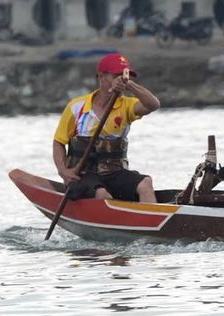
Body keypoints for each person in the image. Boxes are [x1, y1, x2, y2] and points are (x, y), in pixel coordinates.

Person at [52, 53, 162, 205]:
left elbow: (153, 105)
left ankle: (150, 225)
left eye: (125, 76)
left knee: (146, 183)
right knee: (102, 194)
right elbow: (58, 142)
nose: (121, 80)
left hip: (115, 173)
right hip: (83, 175)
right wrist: (63, 172)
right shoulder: (76, 107)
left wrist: (129, 85)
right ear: (101, 77)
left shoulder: (127, 105)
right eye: (117, 75)